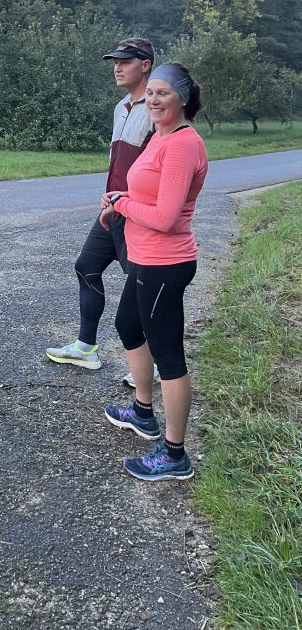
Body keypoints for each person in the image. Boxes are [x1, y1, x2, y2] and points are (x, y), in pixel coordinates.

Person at [102, 62, 207, 481]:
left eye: (163, 92)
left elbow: (165, 217)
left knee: (169, 355)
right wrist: (122, 195)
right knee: (128, 325)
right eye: (151, 93)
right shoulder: (160, 136)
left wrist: (122, 204)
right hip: (146, 259)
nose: (154, 99)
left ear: (183, 98)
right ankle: (143, 412)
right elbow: (149, 190)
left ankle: (175, 454)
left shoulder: (182, 144)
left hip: (166, 262)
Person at [46, 38, 155, 385]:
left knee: (143, 287)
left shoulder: (157, 107)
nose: (117, 68)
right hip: (113, 208)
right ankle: (86, 348)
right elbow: (118, 160)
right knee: (86, 267)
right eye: (115, 62)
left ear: (145, 65)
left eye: (125, 62)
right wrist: (108, 195)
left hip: (138, 213)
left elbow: (159, 168)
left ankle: (150, 366)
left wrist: (134, 202)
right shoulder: (121, 106)